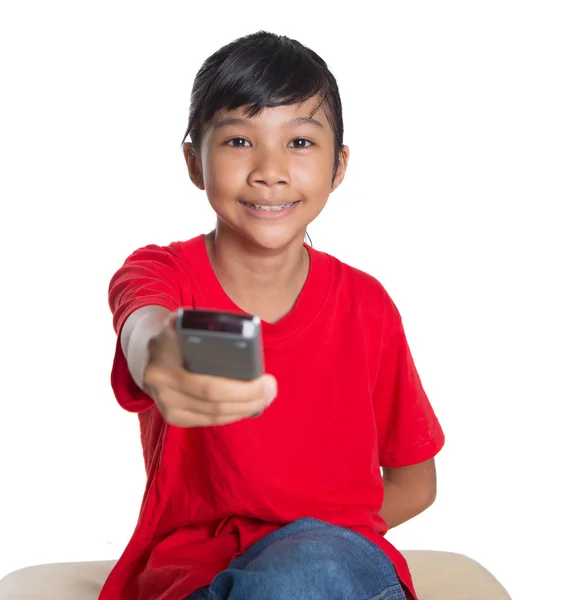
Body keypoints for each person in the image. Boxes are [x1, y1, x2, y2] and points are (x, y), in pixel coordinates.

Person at [100, 30, 445, 600]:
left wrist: (316, 530)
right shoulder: (167, 277)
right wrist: (160, 352)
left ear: (339, 166)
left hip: (334, 566)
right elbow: (147, 324)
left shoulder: (366, 304)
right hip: (198, 576)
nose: (269, 169)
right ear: (194, 161)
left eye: (301, 143)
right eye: (238, 141)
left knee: (310, 567)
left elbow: (415, 481)